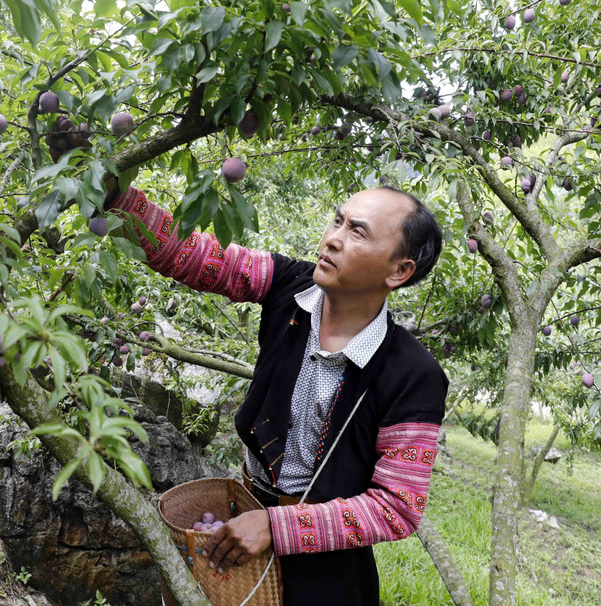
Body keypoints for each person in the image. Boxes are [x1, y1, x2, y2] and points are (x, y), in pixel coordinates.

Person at [90, 162, 448, 605]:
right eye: (337, 220)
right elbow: (194, 255)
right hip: (241, 516)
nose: (333, 237)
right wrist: (116, 196)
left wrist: (278, 529)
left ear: (398, 271)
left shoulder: (413, 375)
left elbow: (397, 508)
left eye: (358, 232)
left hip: (326, 571)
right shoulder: (288, 287)